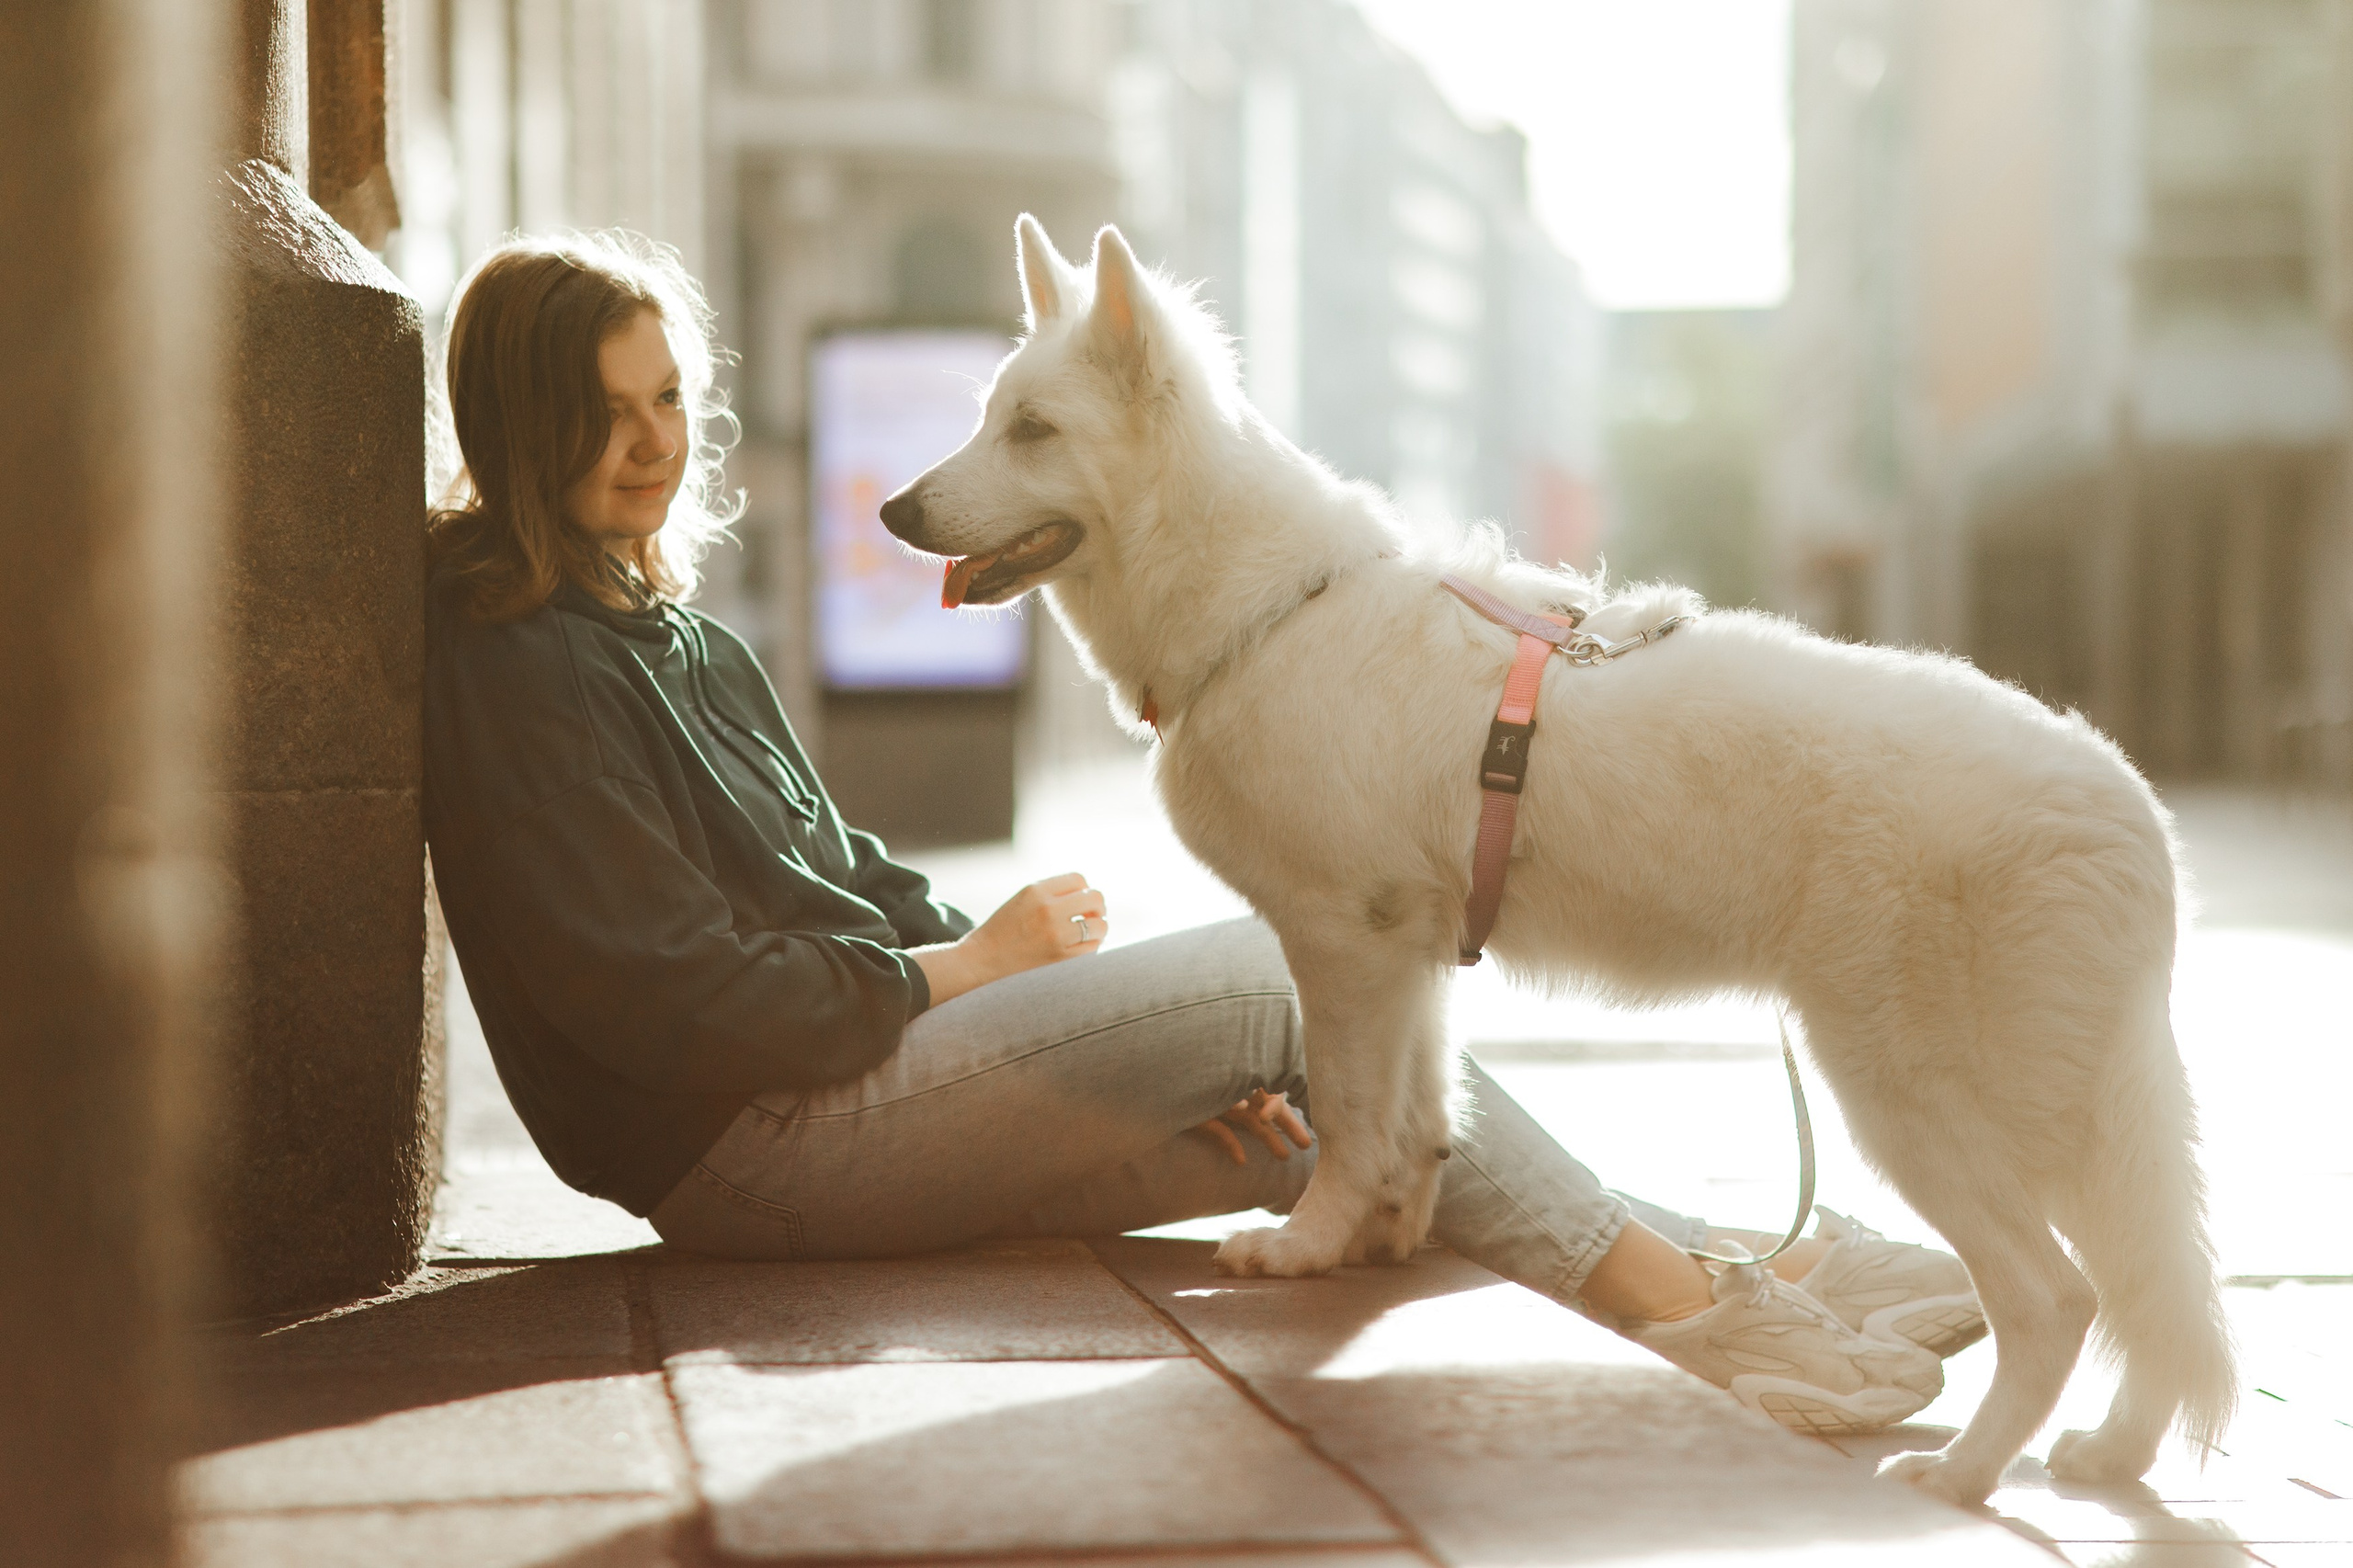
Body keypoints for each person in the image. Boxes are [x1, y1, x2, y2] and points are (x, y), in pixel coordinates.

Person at [422, 233, 1981, 1437]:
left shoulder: (675, 636)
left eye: (669, 399)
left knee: (1320, 1128)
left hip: (837, 1094)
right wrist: (969, 974)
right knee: (1286, 988)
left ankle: (1763, 1266)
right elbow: (675, 999)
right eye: (602, 413)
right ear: (516, 425)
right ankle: (1703, 1315)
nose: (651, 442)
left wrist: (994, 972)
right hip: (750, 1151)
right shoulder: (518, 662)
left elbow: (852, 879)